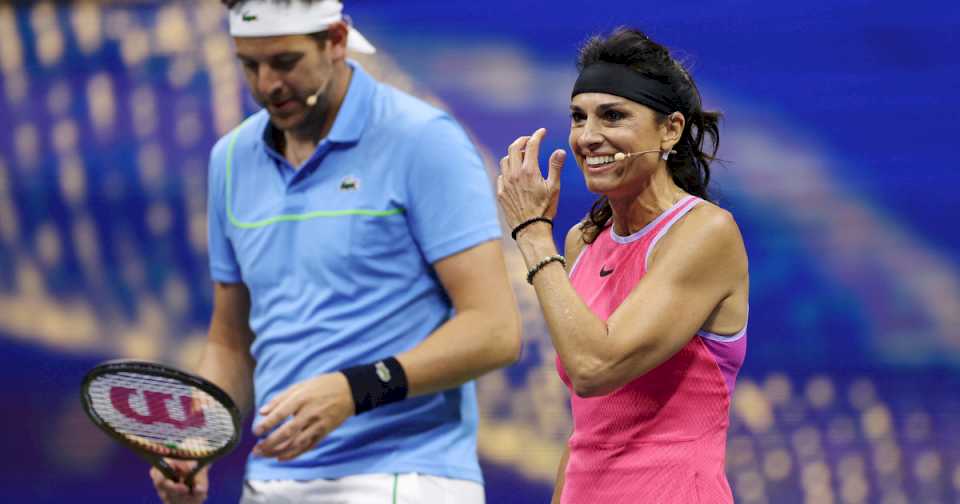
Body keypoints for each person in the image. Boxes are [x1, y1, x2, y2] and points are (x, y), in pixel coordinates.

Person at [150, 1, 521, 502]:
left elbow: (495, 330)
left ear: (337, 40)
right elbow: (231, 342)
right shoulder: (230, 161)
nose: (267, 85)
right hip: (271, 483)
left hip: (404, 478)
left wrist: (356, 390)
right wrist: (199, 440)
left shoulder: (423, 140)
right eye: (249, 65)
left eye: (284, 62)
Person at [496, 28, 748, 503]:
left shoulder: (705, 232)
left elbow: (596, 366)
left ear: (670, 130)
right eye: (578, 117)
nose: (588, 137)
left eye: (613, 116)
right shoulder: (581, 242)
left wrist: (531, 234)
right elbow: (588, 427)